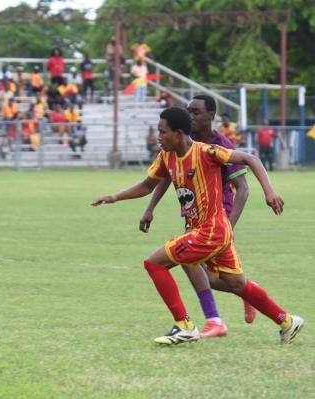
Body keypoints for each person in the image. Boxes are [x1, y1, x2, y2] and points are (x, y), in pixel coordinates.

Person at [92, 107, 304, 346]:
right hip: (208, 231)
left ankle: (184, 326)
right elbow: (147, 185)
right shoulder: (166, 156)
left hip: (211, 230)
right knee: (236, 284)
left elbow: (250, 158)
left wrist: (269, 191)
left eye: (163, 132)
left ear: (179, 133)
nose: (158, 137)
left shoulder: (206, 152)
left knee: (154, 263)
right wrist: (114, 197)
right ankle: (287, 321)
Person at [140, 95, 252, 338]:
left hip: (216, 215)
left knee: (190, 263)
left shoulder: (220, 145)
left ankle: (214, 318)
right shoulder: (181, 142)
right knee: (208, 275)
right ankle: (242, 294)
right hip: (193, 214)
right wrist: (151, 207)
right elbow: (167, 174)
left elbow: (242, 187)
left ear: (211, 116)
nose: (190, 116)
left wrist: (229, 227)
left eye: (196, 112)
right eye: (188, 111)